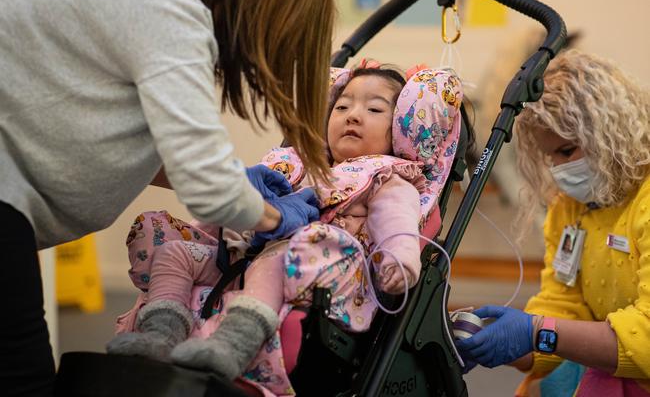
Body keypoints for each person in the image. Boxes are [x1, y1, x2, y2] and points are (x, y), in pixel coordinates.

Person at [0, 0, 335, 396]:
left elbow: (125, 129)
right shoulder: (171, 13)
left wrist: (233, 180)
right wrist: (277, 217)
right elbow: (209, 189)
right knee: (21, 380)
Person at [106, 65, 463, 394]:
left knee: (274, 259)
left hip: (323, 272)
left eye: (374, 109)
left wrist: (400, 259)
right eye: (342, 107)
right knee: (174, 253)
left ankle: (232, 343)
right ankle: (160, 335)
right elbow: (240, 205)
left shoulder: (387, 178)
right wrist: (219, 230)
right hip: (246, 257)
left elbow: (397, 220)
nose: (353, 114)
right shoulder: (296, 165)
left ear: (400, 129)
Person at [456, 50, 650, 395]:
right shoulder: (570, 208)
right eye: (550, 157)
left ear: (610, 133)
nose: (559, 171)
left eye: (567, 151)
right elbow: (563, 304)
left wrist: (536, 332)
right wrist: (509, 344)